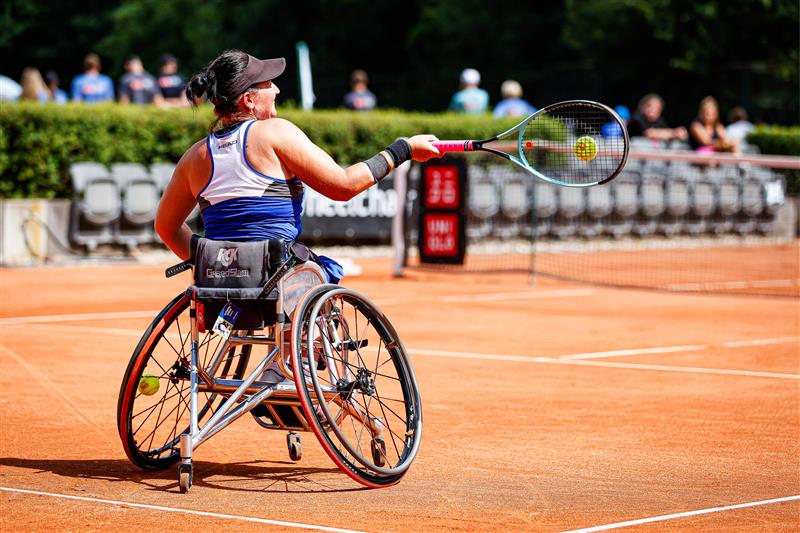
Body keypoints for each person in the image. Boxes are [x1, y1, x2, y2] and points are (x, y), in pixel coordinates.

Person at [154, 49, 441, 283]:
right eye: (268, 84)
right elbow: (344, 186)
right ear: (249, 100)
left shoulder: (194, 156)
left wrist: (209, 263)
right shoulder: (275, 132)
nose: (276, 89)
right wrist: (402, 150)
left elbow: (165, 227)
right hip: (278, 278)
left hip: (217, 284)